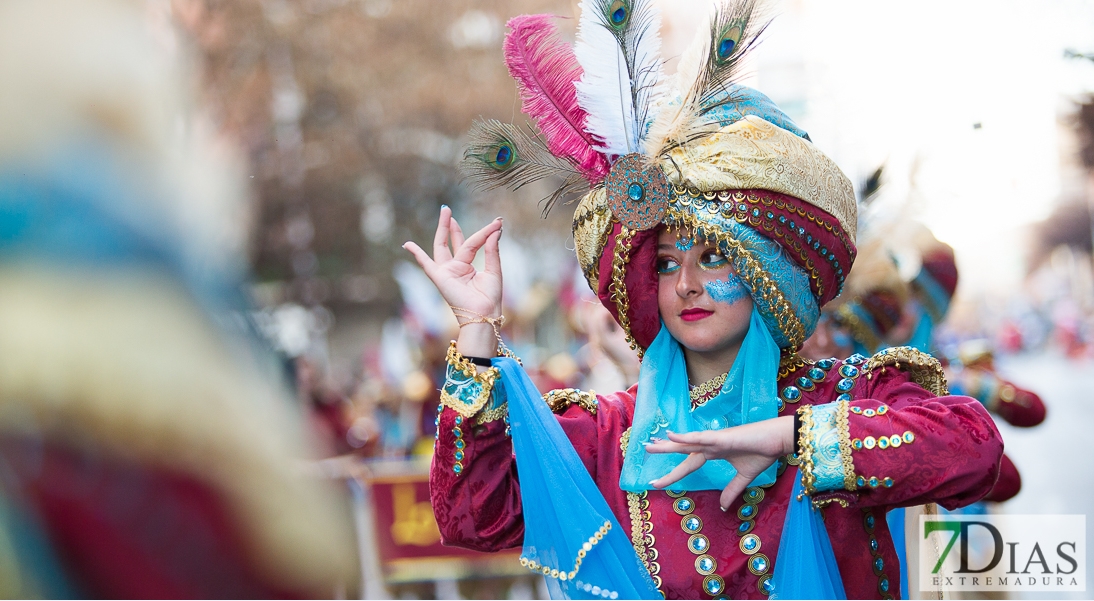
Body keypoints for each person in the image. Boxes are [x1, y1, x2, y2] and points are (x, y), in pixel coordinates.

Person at [406, 3, 1003, 599]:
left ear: (765, 271)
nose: (686, 283)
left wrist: (793, 439)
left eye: (712, 257)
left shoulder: (848, 395)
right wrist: (477, 330)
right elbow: (472, 518)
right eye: (666, 263)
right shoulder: (607, 432)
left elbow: (977, 451)